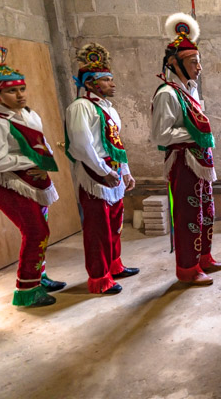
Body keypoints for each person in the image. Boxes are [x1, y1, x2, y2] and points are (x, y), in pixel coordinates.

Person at [151, 13, 221, 286]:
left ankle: (203, 257)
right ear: (174, 63)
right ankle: (187, 268)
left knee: (206, 210)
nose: (199, 67)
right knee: (188, 215)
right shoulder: (167, 94)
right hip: (183, 162)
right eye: (193, 61)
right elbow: (160, 135)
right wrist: (195, 132)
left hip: (199, 162)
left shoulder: (188, 91)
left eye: (199, 61)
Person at [0, 46, 65, 307]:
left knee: (39, 227)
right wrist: (31, 161)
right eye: (11, 90)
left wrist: (45, 163)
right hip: (7, 182)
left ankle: (38, 275)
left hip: (33, 180)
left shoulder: (30, 114)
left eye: (22, 89)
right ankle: (26, 290)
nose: (20, 95)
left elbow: (41, 144)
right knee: (35, 230)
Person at [65, 43, 139, 295]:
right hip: (94, 172)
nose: (112, 84)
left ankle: (114, 265)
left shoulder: (108, 108)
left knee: (115, 221)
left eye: (111, 79)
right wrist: (102, 170)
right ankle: (99, 277)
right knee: (98, 227)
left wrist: (125, 170)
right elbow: (81, 145)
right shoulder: (80, 107)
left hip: (113, 168)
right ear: (90, 83)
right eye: (106, 80)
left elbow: (117, 142)